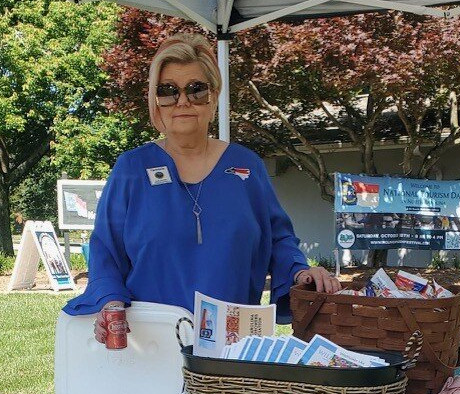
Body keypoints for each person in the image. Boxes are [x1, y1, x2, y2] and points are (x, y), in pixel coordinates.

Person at [62, 33, 340, 339]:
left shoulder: (247, 167)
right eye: (168, 91)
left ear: (215, 94)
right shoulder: (132, 169)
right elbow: (106, 253)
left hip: (233, 347)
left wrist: (301, 272)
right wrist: (109, 302)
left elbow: (278, 241)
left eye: (196, 89)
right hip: (150, 343)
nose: (182, 101)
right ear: (156, 99)